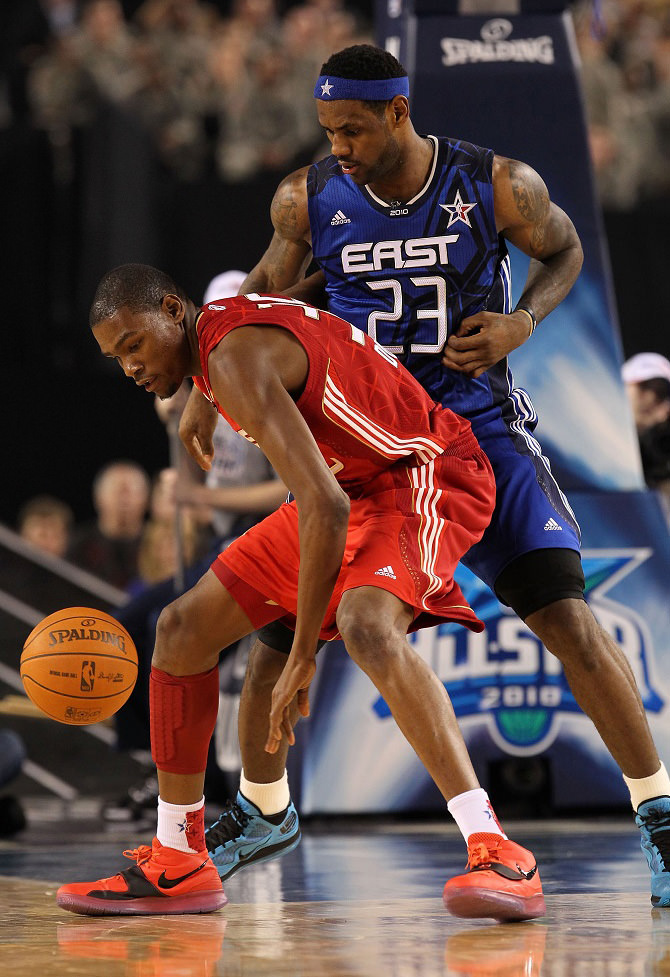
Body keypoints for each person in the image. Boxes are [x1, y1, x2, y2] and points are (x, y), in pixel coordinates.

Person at [177, 44, 670, 910]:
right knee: (267, 645)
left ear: (400, 113)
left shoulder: (495, 184)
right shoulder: (310, 196)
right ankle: (262, 808)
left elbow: (565, 252)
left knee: (571, 625)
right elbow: (262, 290)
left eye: (354, 129)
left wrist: (521, 319)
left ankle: (661, 816)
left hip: (477, 433)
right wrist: (202, 379)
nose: (338, 146)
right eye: (328, 128)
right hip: (369, 448)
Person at [56, 263, 545, 923]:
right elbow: (308, 286)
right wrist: (199, 390)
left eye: (133, 346)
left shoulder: (231, 359)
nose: (129, 368)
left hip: (419, 470)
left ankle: (497, 846)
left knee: (366, 625)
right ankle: (178, 856)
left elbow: (323, 504)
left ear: (174, 310)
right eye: (116, 358)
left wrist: (303, 655)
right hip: (351, 485)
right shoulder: (219, 349)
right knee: (179, 629)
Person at [67, 459, 151, 588]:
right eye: (117, 491)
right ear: (98, 496)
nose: (124, 500)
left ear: (146, 498)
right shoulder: (76, 545)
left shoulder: (158, 544)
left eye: (131, 492)